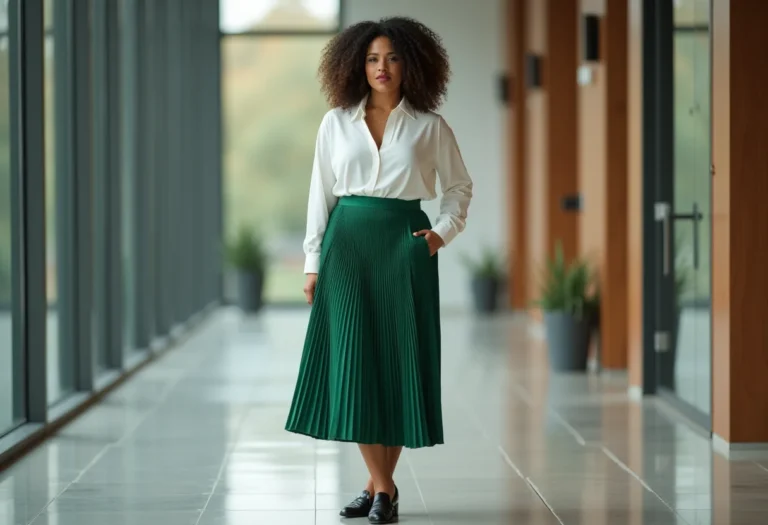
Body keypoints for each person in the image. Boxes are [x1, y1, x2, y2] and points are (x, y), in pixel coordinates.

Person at [284, 16, 473, 524]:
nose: (381, 67)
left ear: (410, 63)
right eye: (371, 58)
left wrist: (438, 235)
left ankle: (376, 489)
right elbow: (319, 195)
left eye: (391, 57)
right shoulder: (335, 122)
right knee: (355, 362)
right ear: (355, 64)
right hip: (346, 246)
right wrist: (312, 262)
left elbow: (459, 189)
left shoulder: (430, 126)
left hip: (403, 246)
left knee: (396, 363)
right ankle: (385, 488)